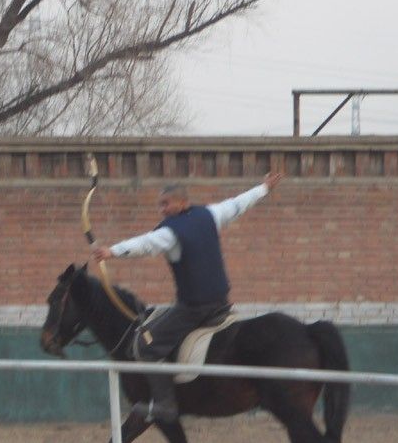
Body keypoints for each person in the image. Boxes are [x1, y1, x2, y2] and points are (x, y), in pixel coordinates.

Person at [91, 172, 283, 423]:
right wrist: (264, 188)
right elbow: (237, 205)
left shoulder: (171, 232)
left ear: (182, 203)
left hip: (195, 309)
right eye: (160, 205)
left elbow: (146, 244)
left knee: (146, 346)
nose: (162, 210)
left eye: (166, 204)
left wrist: (111, 251)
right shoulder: (210, 214)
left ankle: (165, 404)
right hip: (221, 302)